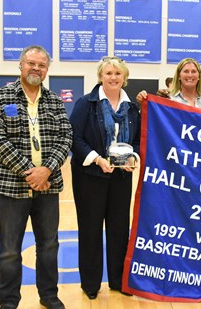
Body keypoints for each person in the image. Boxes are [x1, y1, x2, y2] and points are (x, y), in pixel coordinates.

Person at [0, 45, 72, 309]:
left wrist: (46, 169)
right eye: (31, 63)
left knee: (48, 245)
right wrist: (29, 173)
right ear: (20, 65)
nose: (36, 69)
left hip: (48, 186)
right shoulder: (0, 98)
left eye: (42, 65)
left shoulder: (55, 101)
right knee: (11, 250)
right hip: (12, 188)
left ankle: (48, 296)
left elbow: (65, 137)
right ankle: (9, 302)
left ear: (47, 70)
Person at [69, 56, 141, 300]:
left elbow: (138, 141)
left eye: (117, 74)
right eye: (108, 73)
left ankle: (118, 280)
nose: (113, 77)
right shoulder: (85, 104)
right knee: (90, 229)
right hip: (90, 175)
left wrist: (133, 158)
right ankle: (90, 284)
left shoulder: (132, 108)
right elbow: (75, 138)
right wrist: (98, 159)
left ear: (124, 78)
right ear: (100, 76)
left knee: (119, 229)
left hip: (121, 178)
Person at [137, 58, 201, 111]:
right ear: (179, 76)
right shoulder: (168, 99)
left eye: (193, 71)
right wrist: (143, 103)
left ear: (199, 76)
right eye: (186, 71)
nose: (190, 75)